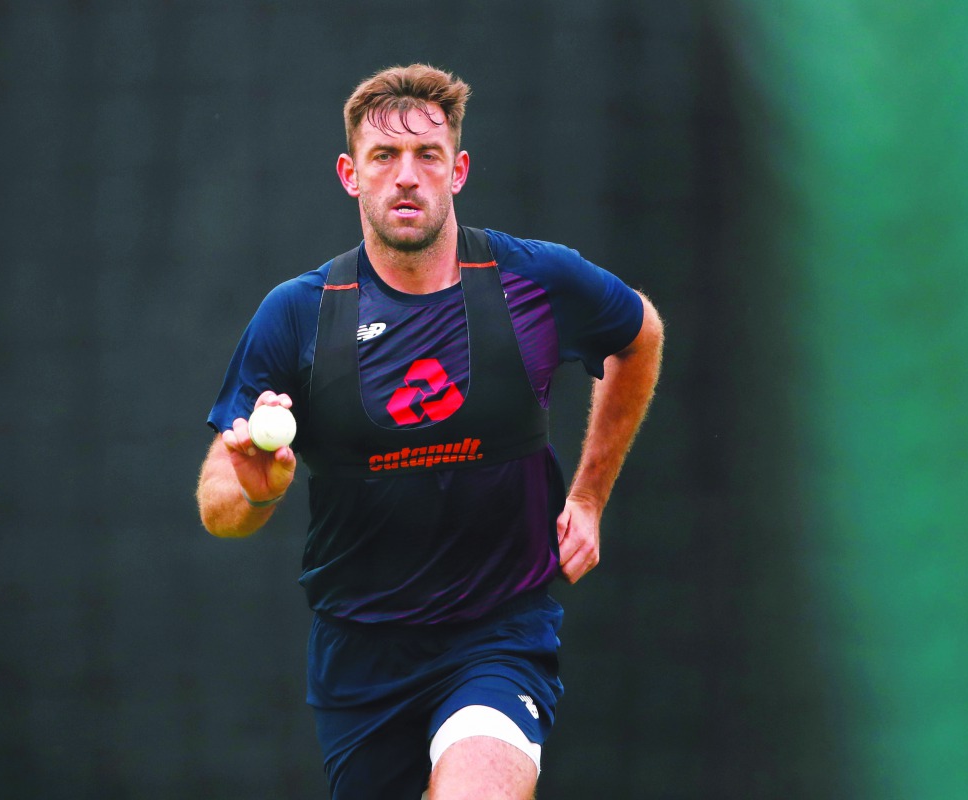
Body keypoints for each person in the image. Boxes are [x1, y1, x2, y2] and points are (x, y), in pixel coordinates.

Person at [196, 63, 663, 800]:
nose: (406, 176)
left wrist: (589, 495)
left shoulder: (532, 280)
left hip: (498, 636)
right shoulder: (298, 311)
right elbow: (219, 507)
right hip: (361, 657)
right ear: (351, 174)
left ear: (459, 170)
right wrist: (255, 490)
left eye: (428, 155)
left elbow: (640, 334)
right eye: (384, 156)